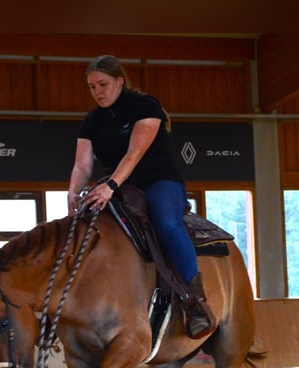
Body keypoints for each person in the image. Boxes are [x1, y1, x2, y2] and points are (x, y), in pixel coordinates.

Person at [67, 54, 216, 340]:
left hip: (158, 180)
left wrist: (110, 184)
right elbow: (82, 165)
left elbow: (135, 153)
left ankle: (195, 302)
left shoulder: (145, 106)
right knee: (89, 227)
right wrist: (73, 191)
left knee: (167, 225)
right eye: (92, 87)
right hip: (117, 185)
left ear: (120, 81)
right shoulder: (91, 122)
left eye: (103, 84)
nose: (97, 92)